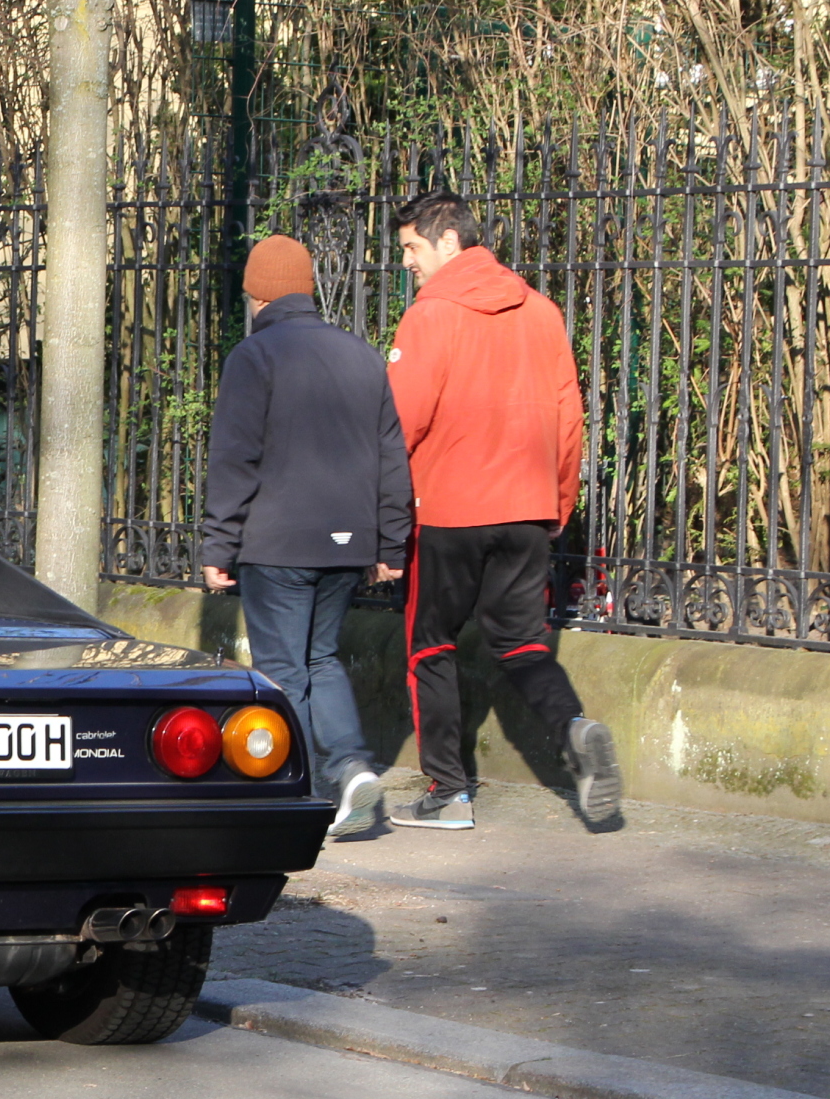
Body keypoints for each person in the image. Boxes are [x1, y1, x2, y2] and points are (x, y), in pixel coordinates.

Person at [386, 189, 621, 830]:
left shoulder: (429, 317)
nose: (406, 261)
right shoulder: (543, 313)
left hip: (447, 511)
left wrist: (385, 515)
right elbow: (570, 419)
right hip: (526, 506)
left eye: (411, 247)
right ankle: (573, 726)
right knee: (520, 642)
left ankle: (447, 793)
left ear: (448, 240)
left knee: (429, 646)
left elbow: (399, 426)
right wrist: (557, 505)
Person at [201, 234, 411, 839]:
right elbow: (391, 459)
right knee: (322, 657)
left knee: (283, 669)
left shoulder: (255, 356)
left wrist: (219, 546)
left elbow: (235, 459)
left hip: (279, 540)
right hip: (349, 544)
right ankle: (349, 768)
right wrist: (389, 544)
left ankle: (286, 791)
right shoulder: (362, 356)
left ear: (257, 293)